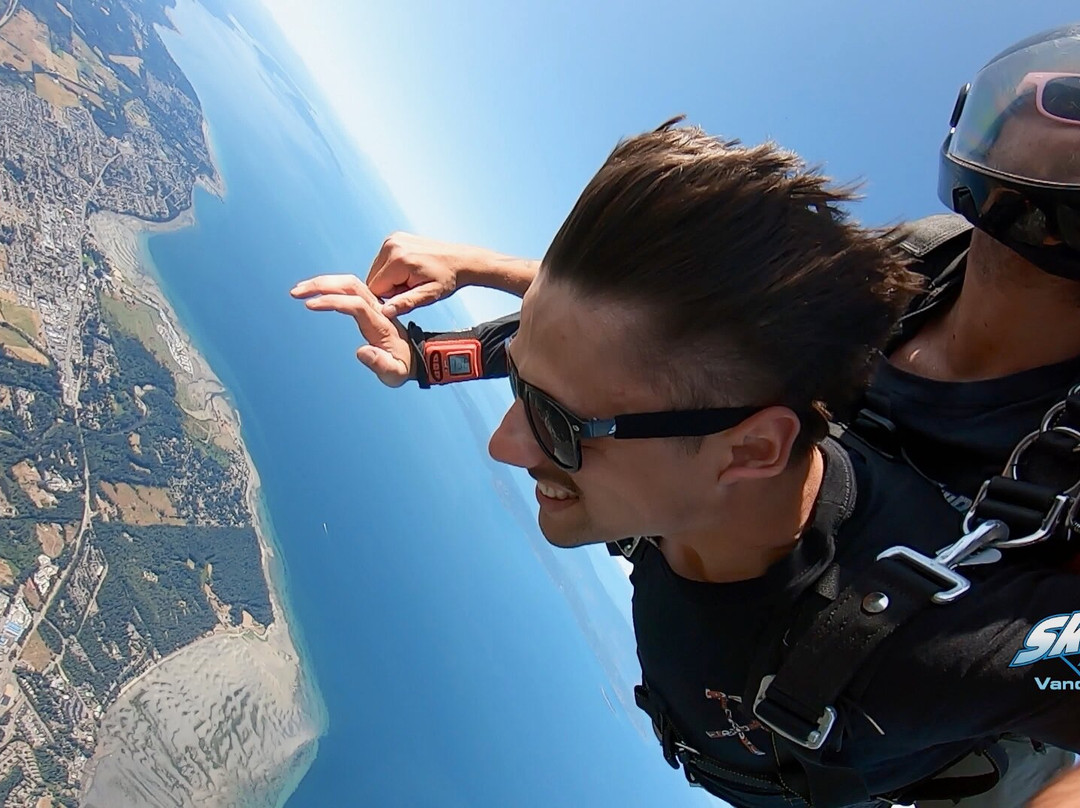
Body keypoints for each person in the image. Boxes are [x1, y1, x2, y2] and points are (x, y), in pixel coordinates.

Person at [305, 24, 1080, 806]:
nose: (504, 449)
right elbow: (672, 346)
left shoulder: (949, 647)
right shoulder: (920, 264)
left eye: (562, 428)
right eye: (1056, 88)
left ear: (751, 450)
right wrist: (445, 344)